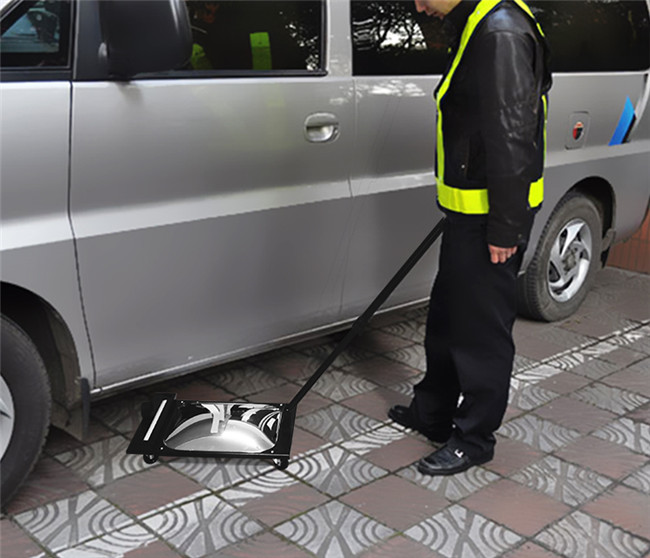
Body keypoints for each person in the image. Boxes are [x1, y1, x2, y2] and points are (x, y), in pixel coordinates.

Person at [388, 0, 552, 476]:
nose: (419, 6)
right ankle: (433, 411)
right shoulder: (481, 22)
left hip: (490, 220)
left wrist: (505, 225)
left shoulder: (499, 31)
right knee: (446, 317)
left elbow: (512, 132)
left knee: (480, 333)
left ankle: (474, 438)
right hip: (469, 213)